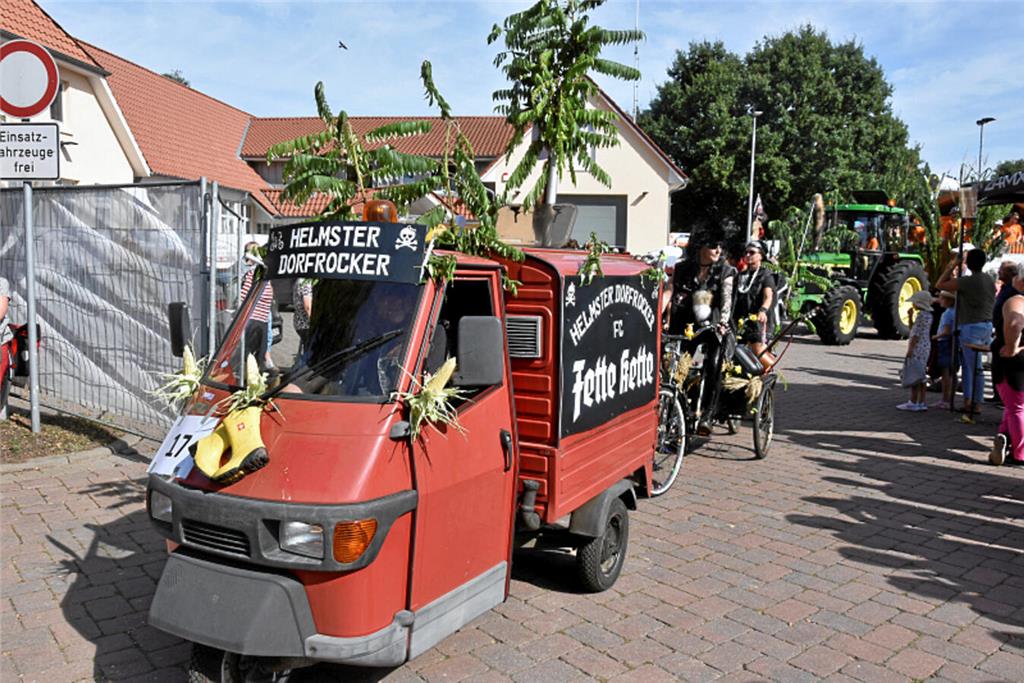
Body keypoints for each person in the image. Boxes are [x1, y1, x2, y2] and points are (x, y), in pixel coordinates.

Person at [666, 216, 738, 435]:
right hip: (687, 326)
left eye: (720, 245)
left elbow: (726, 302)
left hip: (714, 328)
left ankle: (708, 412)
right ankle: (674, 408)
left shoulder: (725, 271)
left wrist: (723, 323)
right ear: (700, 246)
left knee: (714, 363)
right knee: (675, 365)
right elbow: (668, 293)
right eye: (713, 245)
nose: (718, 250)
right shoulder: (682, 269)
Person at [936, 248, 995, 423]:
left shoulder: (968, 281)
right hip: (986, 325)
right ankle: (973, 401)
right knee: (974, 367)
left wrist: (952, 265)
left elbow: (940, 284)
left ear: (969, 263)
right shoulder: (989, 279)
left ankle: (972, 402)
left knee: (972, 368)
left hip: (971, 325)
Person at [992, 268, 1024, 466]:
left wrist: (1012, 347)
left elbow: (1014, 323)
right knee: (1014, 405)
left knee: (1016, 407)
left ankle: (1020, 453)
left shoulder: (1017, 301)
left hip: (1013, 362)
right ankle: (1005, 435)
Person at [733, 240, 775, 366]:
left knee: (758, 351)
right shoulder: (741, 275)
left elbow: (768, 296)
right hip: (740, 321)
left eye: (752, 252)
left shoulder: (766, 275)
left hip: (757, 322)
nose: (747, 255)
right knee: (739, 354)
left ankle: (770, 371)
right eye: (746, 252)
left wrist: (763, 310)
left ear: (761, 255)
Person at [239, 243, 274, 373]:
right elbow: (244, 297)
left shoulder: (263, 274)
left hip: (261, 321)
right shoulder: (253, 274)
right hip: (253, 320)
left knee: (259, 356)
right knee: (251, 357)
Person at [898, 291, 934, 411]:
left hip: (918, 348)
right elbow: (913, 328)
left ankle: (913, 401)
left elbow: (915, 335)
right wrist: (910, 316)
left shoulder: (921, 316)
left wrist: (910, 349)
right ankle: (921, 401)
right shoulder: (928, 315)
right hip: (925, 347)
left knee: (914, 375)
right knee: (921, 374)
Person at [930, 291, 956, 410]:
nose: (939, 300)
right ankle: (950, 398)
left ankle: (945, 399)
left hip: (944, 343)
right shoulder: (955, 312)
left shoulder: (947, 314)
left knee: (945, 373)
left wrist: (936, 336)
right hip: (952, 343)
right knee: (951, 372)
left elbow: (946, 331)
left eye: (941, 298)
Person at [292, 278, 314, 363]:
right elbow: (307, 306)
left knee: (306, 347)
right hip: (305, 324)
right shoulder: (306, 283)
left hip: (298, 322)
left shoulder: (299, 281)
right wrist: (314, 321)